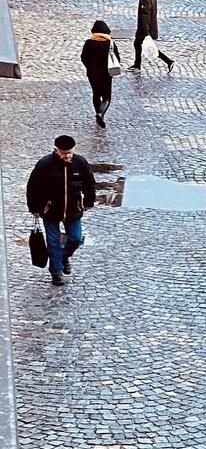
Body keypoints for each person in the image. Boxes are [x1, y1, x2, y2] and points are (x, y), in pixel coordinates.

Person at [26, 134, 96, 286]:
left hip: (73, 210)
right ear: (56, 150)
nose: (68, 156)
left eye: (70, 152)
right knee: (53, 242)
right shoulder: (44, 165)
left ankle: (63, 258)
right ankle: (56, 272)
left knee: (76, 239)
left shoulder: (81, 163)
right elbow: (33, 187)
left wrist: (89, 201)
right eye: (64, 153)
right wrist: (34, 207)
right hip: (50, 211)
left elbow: (89, 184)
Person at [80, 20, 121, 131]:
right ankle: (101, 113)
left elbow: (83, 57)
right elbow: (117, 58)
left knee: (96, 94)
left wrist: (90, 67)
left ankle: (97, 112)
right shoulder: (110, 43)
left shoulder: (89, 42)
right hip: (106, 74)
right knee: (107, 96)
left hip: (92, 73)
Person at [132, 0, 174, 73]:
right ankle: (137, 64)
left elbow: (145, 16)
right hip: (147, 27)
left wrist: (146, 31)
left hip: (144, 28)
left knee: (146, 46)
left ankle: (168, 61)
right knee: (141, 45)